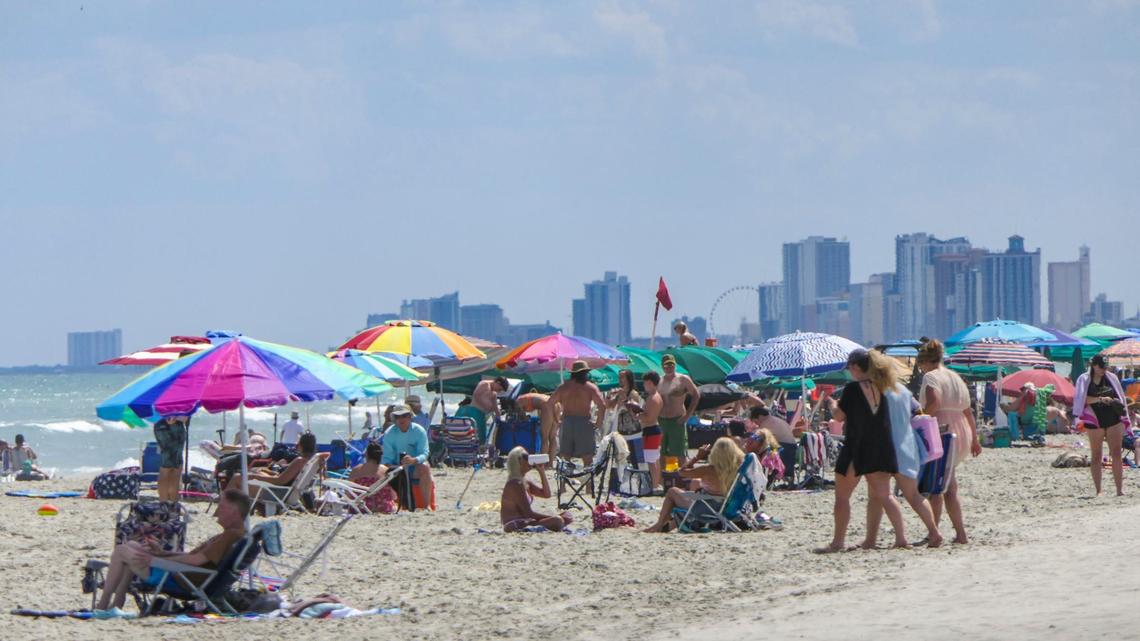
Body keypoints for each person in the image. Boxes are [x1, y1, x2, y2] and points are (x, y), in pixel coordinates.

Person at [814, 349, 909, 553]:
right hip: (881, 446)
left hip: (857, 446)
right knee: (886, 496)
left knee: (842, 497)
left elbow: (839, 417)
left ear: (856, 367)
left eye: (850, 367)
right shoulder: (884, 387)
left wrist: (832, 405)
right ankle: (901, 537)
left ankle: (838, 541)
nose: (849, 371)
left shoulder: (852, 390)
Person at [95, 489, 251, 612]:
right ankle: (117, 603)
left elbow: (196, 560)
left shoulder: (229, 536)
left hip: (181, 580)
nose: (217, 511)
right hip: (187, 575)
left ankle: (103, 604)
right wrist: (161, 553)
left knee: (122, 550)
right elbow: (194, 557)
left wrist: (156, 560)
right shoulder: (234, 535)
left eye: (222, 507)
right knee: (132, 545)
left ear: (234, 511)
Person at [863, 373, 943, 548]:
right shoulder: (903, 390)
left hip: (882, 447)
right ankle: (934, 532)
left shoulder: (871, 391)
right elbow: (918, 413)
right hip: (906, 446)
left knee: (878, 495)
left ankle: (880, 539)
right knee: (913, 495)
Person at [916, 339, 981, 544]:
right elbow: (968, 411)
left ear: (925, 362)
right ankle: (959, 533)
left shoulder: (931, 376)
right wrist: (975, 438)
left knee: (938, 486)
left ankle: (934, 531)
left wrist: (919, 418)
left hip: (942, 432)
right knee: (948, 484)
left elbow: (934, 402)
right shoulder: (956, 377)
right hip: (961, 432)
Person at [643, 437, 744, 533]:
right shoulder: (738, 469)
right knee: (694, 485)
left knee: (672, 491)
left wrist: (697, 457)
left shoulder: (708, 469)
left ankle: (659, 525)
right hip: (724, 505)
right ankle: (668, 526)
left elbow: (682, 472)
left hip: (706, 507)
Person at [1072, 354, 1130, 497]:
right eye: (1101, 367)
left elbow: (1120, 396)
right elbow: (1081, 399)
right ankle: (1099, 490)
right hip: (1094, 420)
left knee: (1116, 453)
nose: (1104, 370)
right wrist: (1100, 399)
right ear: (1094, 365)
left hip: (1113, 419)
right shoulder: (1084, 379)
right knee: (1097, 455)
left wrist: (1116, 404)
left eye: (1105, 367)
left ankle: (1119, 490)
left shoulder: (1111, 378)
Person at [500, 446, 572, 532]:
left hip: (524, 521)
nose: (529, 461)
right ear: (519, 462)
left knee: (561, 518)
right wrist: (555, 517)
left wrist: (541, 472)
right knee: (557, 521)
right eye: (526, 458)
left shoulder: (524, 481)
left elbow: (546, 494)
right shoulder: (515, 484)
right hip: (514, 524)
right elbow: (528, 513)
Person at [549, 361, 607, 466]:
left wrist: (556, 419)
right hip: (584, 422)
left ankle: (564, 482)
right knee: (587, 458)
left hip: (567, 422)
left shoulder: (563, 387)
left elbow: (550, 403)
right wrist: (598, 422)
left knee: (565, 457)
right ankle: (589, 482)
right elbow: (602, 405)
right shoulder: (590, 387)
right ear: (585, 373)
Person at [380, 404, 435, 510]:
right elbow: (387, 457)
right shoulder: (390, 433)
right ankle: (390, 504)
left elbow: (424, 453)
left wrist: (414, 460)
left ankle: (426, 506)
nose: (401, 419)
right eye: (397, 416)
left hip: (414, 466)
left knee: (425, 467)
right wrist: (394, 466)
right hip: (396, 467)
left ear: (410, 416)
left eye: (404, 415)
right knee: (383, 469)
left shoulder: (419, 431)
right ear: (394, 418)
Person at [228, 432, 322, 491]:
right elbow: (283, 477)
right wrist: (266, 472)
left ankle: (224, 508)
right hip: (284, 489)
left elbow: (279, 481)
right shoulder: (310, 461)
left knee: (237, 478)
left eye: (298, 442)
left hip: (277, 492)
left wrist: (254, 477)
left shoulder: (300, 461)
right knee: (254, 471)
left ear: (301, 445)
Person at [657, 354, 700, 467]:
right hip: (662, 421)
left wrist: (687, 416)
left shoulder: (683, 379)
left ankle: (684, 480)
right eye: (666, 365)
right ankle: (665, 479)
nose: (669, 367)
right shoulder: (659, 381)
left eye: (671, 364)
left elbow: (696, 395)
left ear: (675, 365)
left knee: (679, 453)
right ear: (662, 366)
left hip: (677, 420)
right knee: (662, 453)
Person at [639, 371, 665, 493]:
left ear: (649, 383)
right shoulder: (656, 396)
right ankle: (656, 483)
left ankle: (655, 485)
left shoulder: (653, 398)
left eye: (645, 383)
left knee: (651, 460)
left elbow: (649, 418)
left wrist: (637, 415)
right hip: (653, 430)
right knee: (655, 459)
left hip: (651, 430)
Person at [515, 392, 560, 459]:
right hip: (556, 404)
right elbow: (539, 407)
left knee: (544, 438)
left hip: (547, 405)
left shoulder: (518, 401)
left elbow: (522, 417)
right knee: (552, 437)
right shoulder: (527, 397)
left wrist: (524, 418)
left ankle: (543, 462)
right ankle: (550, 463)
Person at [153, 416, 188, 502]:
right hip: (174, 423)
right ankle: (172, 503)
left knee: (165, 468)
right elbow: (184, 416)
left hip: (160, 423)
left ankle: (164, 502)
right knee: (174, 469)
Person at [607, 369, 642, 437]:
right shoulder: (618, 394)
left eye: (622, 377)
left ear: (628, 379)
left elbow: (635, 410)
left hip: (632, 431)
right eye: (619, 377)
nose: (619, 379)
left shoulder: (633, 393)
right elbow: (609, 406)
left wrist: (623, 395)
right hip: (620, 429)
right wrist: (608, 396)